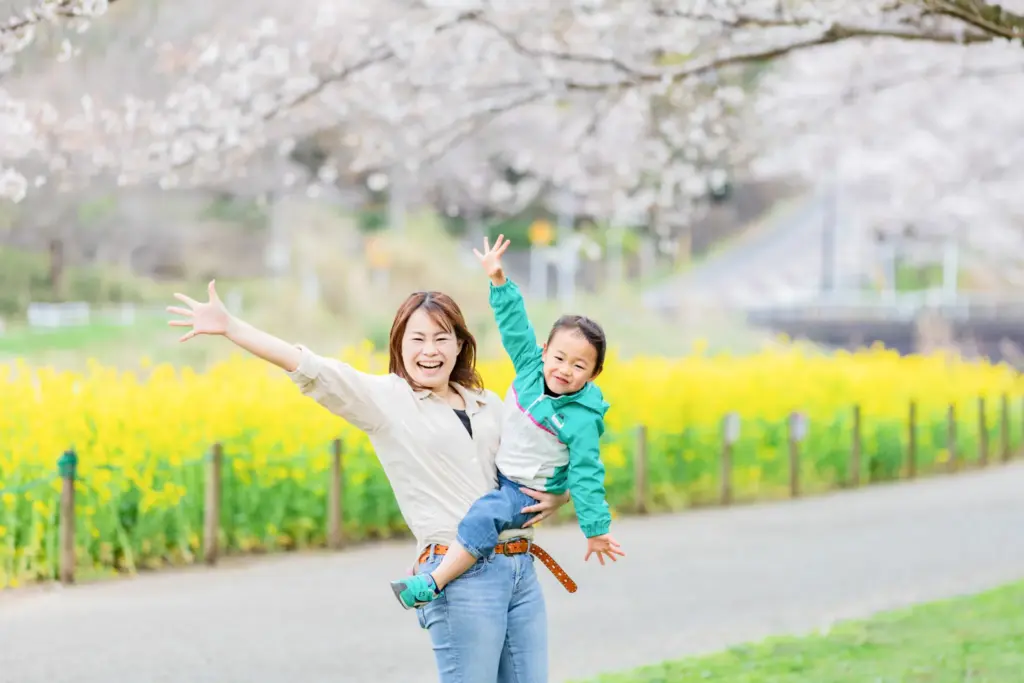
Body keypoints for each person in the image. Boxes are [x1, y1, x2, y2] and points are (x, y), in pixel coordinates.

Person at [167, 280, 573, 683]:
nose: (429, 351)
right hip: (460, 574)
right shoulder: (387, 400)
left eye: (440, 338)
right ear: (399, 345)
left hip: (521, 568)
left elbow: (534, 462)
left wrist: (560, 495)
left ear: (459, 345)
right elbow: (308, 367)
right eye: (417, 339)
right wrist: (231, 326)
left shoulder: (489, 405)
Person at [391, 235, 625, 611]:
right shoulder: (532, 369)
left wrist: (596, 531)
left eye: (579, 366)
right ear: (545, 351)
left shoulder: (581, 419)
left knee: (483, 516)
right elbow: (515, 325)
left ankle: (433, 581)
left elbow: (587, 475)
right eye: (560, 357)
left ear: (594, 374)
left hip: (524, 488)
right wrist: (499, 280)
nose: (565, 370)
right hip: (501, 472)